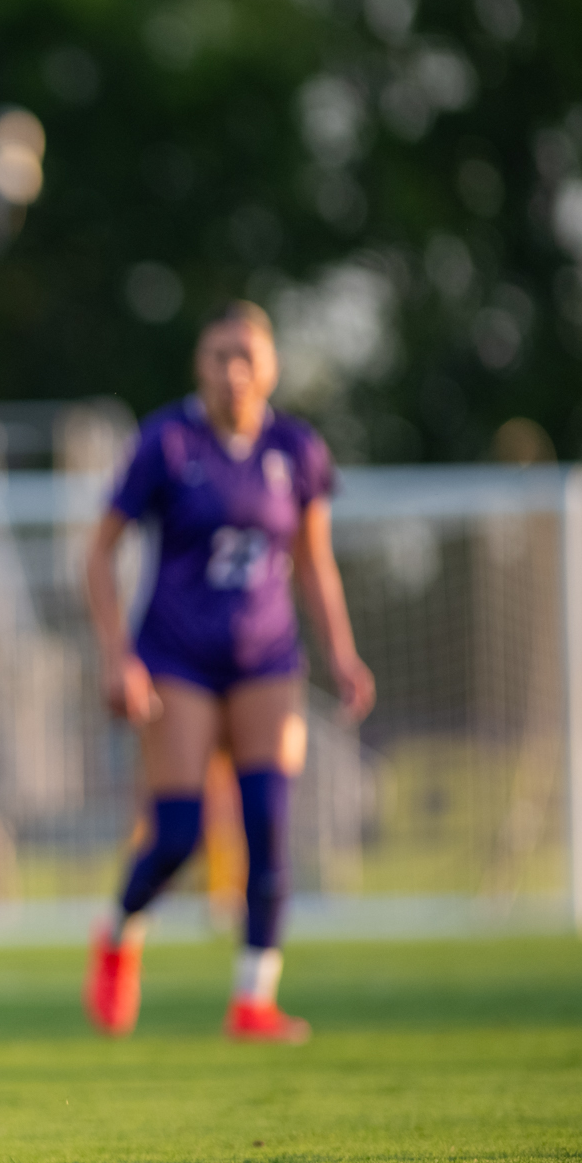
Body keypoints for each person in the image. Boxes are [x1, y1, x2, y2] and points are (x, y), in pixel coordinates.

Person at [82, 301, 375, 1043]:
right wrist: (119, 655)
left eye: (246, 355)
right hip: (177, 658)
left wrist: (341, 651)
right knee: (178, 832)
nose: (233, 370)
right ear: (199, 366)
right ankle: (119, 930)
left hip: (267, 659)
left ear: (271, 366)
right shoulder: (167, 441)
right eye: (219, 355)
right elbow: (99, 553)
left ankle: (254, 997)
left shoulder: (296, 449)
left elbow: (314, 560)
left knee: (268, 821)